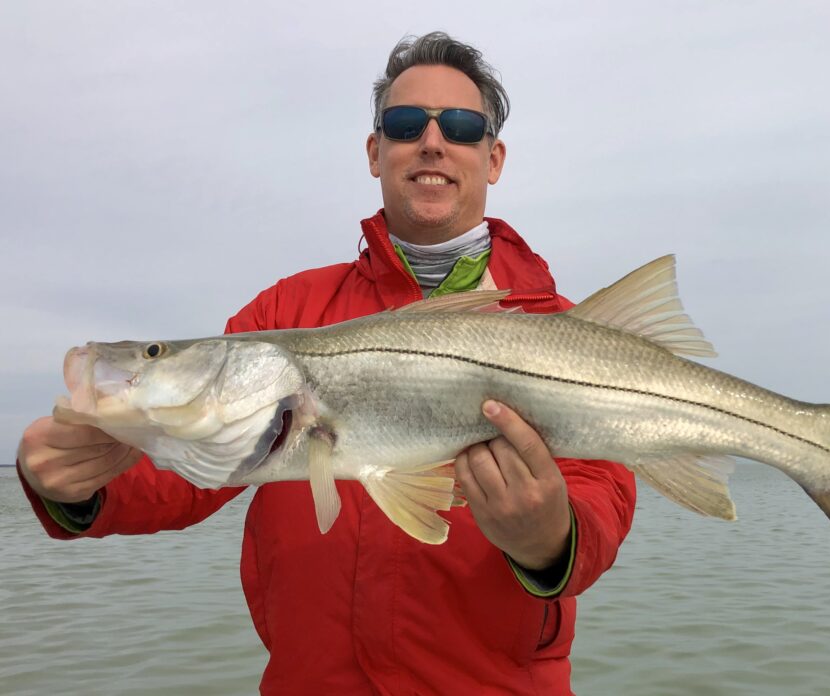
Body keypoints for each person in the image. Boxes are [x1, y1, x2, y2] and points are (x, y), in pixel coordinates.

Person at [16, 32, 636, 695]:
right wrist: (77, 485)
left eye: (459, 126)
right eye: (404, 125)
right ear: (375, 152)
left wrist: (552, 537)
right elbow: (191, 464)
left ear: (494, 158)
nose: (432, 142)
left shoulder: (564, 329)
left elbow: (604, 485)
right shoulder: (285, 311)